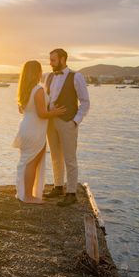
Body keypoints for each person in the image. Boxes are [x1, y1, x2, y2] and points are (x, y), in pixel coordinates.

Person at [13, 60, 66, 203]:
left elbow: (23, 110)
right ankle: (28, 196)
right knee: (31, 162)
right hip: (34, 129)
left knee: (26, 161)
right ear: (37, 72)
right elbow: (42, 113)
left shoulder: (23, 90)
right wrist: (56, 112)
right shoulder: (38, 90)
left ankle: (24, 193)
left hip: (27, 127)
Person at [43, 48, 90, 207]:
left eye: (53, 60)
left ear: (63, 59)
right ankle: (58, 187)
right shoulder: (49, 77)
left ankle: (71, 193)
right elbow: (46, 98)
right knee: (55, 156)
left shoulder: (76, 76)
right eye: (50, 60)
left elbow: (85, 102)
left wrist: (75, 121)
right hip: (51, 122)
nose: (50, 63)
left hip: (68, 122)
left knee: (70, 158)